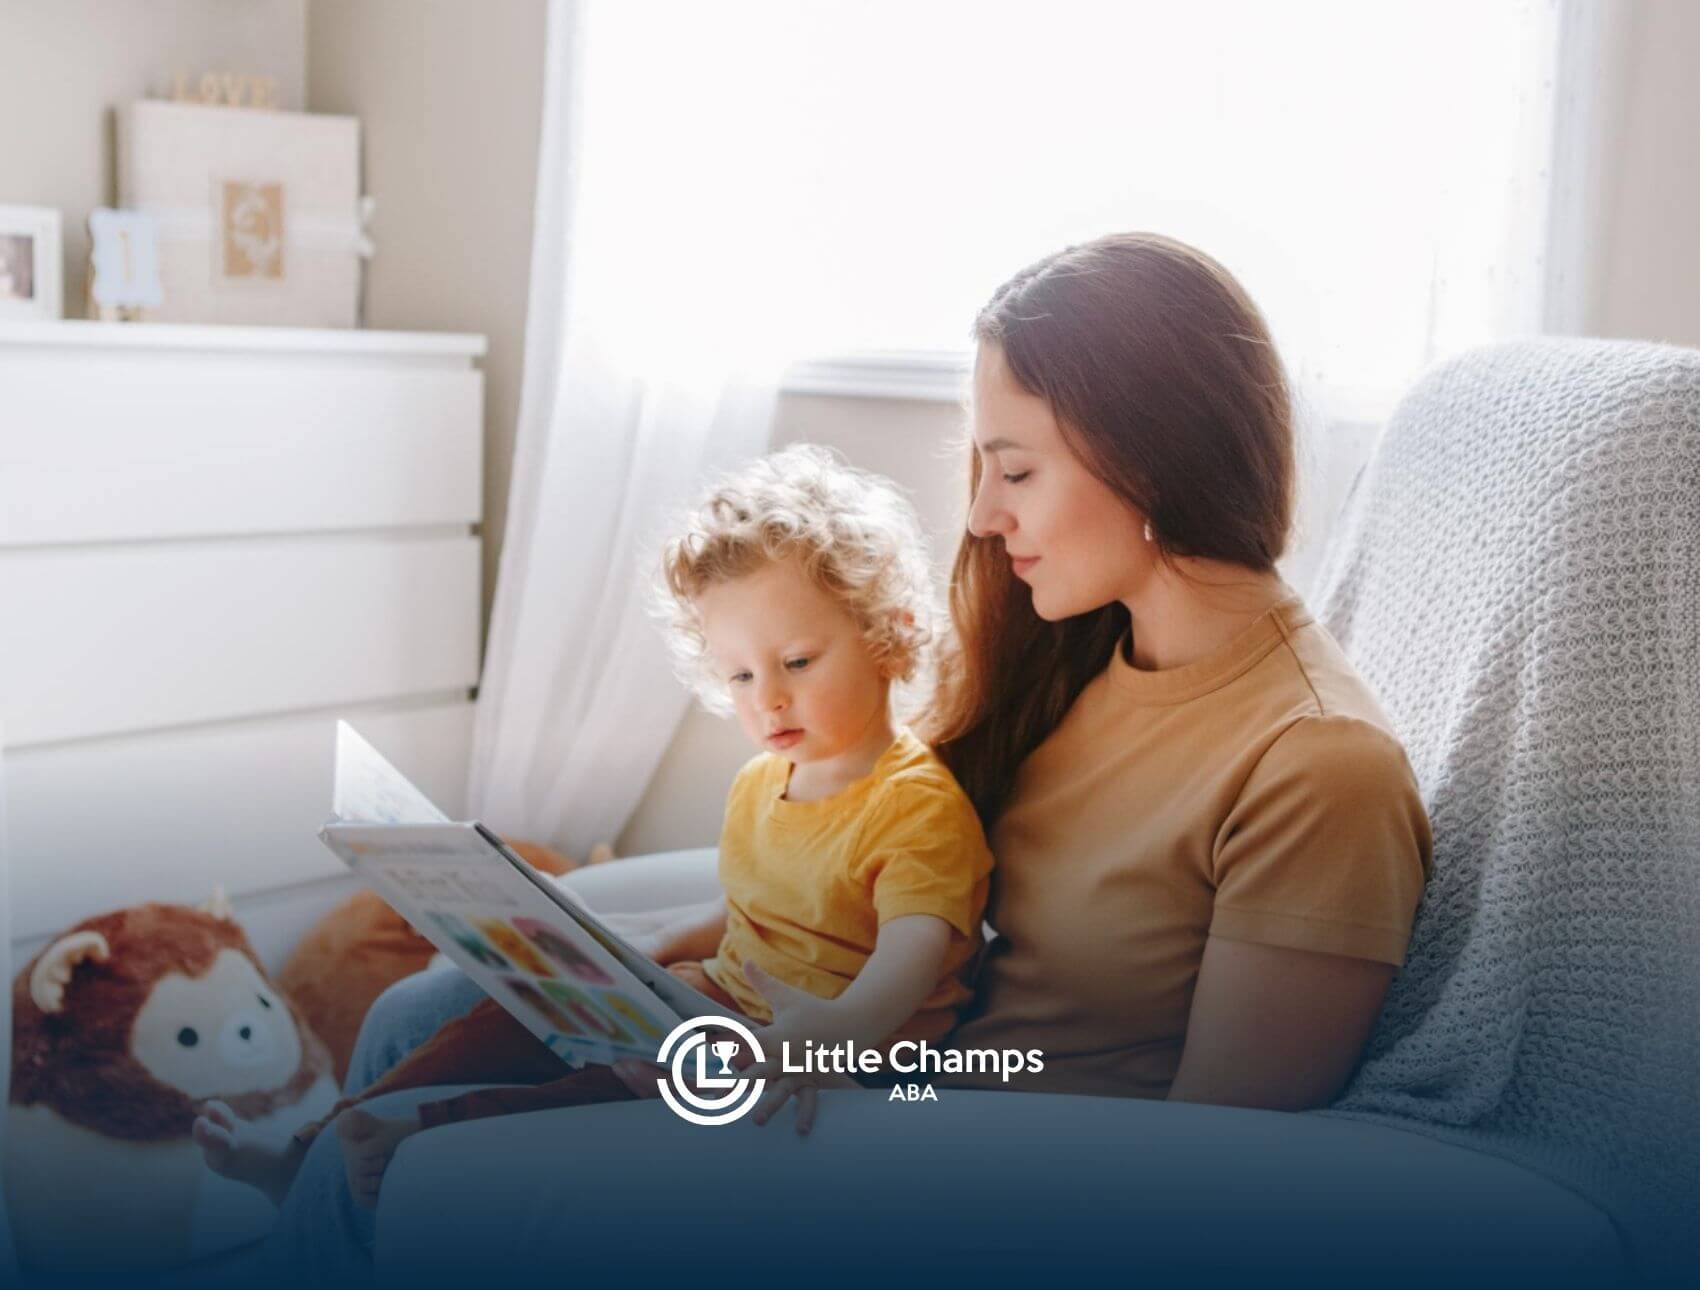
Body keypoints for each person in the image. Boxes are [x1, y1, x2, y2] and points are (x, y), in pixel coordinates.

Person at [255, 231, 1432, 1277]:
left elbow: (1223, 1174)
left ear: (1153, 459)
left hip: (956, 1126)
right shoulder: (1075, 654)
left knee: (418, 1161)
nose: (978, 514)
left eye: (1014, 470)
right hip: (860, 1053)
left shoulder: (1315, 764)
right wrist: (614, 960)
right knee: (425, 1010)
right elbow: (873, 859)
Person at [193, 444, 994, 1208]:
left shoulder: (916, 806)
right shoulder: (763, 782)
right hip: (719, 1005)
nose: (768, 700)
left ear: (886, 632)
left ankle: (408, 1139)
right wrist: (638, 949)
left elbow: (910, 960)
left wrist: (834, 1034)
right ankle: (309, 1150)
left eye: (798, 662)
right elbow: (760, 905)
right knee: (517, 1013)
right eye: (741, 675)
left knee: (622, 1088)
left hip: (827, 1060)